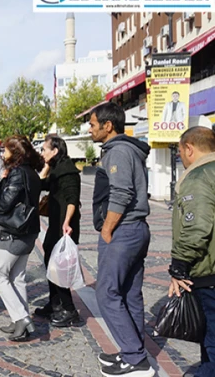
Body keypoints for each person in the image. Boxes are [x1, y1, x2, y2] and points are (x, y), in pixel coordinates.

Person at [89, 102, 153, 377]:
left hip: (124, 229)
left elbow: (122, 193)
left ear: (108, 125)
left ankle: (136, 359)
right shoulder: (129, 150)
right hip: (136, 228)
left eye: (92, 124)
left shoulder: (118, 151)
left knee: (106, 293)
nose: (89, 129)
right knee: (129, 294)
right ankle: (132, 352)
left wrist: (107, 229)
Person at [168, 127, 215, 377]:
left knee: (212, 345)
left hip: (209, 277)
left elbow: (197, 227)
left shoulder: (198, 177)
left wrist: (179, 265)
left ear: (189, 148)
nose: (181, 158)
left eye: (180, 151)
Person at [0, 135, 42, 342]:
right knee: (17, 277)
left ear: (15, 153)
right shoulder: (31, 172)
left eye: (6, 150)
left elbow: (4, 204)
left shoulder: (18, 174)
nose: (3, 153)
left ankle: (21, 318)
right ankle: (19, 320)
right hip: (29, 231)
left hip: (14, 232)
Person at [34, 134, 81, 327]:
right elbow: (40, 184)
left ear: (55, 151)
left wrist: (67, 222)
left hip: (65, 226)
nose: (42, 151)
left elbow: (72, 199)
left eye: (45, 149)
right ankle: (54, 304)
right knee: (50, 263)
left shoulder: (68, 171)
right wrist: (46, 165)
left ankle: (69, 309)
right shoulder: (55, 169)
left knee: (59, 266)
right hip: (56, 224)